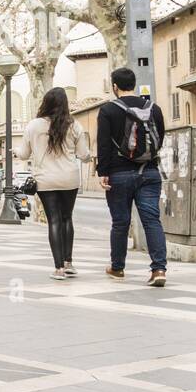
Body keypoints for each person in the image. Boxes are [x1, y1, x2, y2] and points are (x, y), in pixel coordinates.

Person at [97, 67, 168, 286]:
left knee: (120, 222)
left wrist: (103, 173)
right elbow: (160, 139)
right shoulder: (153, 108)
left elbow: (104, 144)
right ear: (134, 84)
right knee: (152, 220)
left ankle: (117, 268)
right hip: (149, 172)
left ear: (115, 86)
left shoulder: (108, 110)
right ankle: (158, 270)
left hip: (119, 174)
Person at [16, 87, 92, 280]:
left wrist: (16, 150)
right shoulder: (74, 125)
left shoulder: (34, 125)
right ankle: (69, 263)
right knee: (67, 218)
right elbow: (84, 155)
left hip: (45, 180)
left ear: (45, 103)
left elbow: (24, 154)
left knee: (54, 221)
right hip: (69, 178)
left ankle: (58, 269)